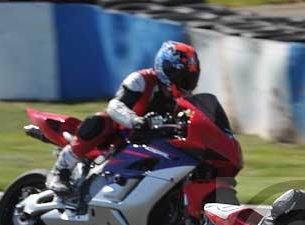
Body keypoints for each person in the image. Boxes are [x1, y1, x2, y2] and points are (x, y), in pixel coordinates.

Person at [46, 41, 200, 195]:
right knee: (100, 121)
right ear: (167, 69)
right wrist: (135, 121)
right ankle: (60, 173)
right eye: (183, 76)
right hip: (120, 135)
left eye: (190, 77)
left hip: (154, 142)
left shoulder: (184, 99)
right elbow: (115, 105)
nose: (186, 82)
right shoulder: (141, 79)